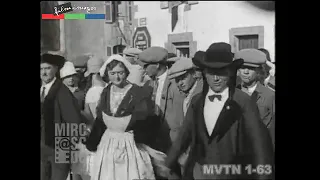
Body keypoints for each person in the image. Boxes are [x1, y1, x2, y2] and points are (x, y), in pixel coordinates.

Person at [163, 42, 274, 180]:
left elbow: (258, 142)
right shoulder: (197, 101)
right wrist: (168, 163)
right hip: (200, 171)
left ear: (229, 72)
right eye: (211, 73)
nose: (216, 79)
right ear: (204, 73)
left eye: (221, 73)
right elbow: (184, 134)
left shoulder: (242, 100)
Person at [85, 54, 168, 180]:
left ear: (126, 72)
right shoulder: (106, 92)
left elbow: (147, 119)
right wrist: (92, 141)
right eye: (112, 73)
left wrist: (139, 136)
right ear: (107, 74)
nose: (117, 77)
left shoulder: (137, 92)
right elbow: (100, 119)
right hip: (108, 143)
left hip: (130, 143)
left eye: (120, 73)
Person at [41, 54, 84, 180]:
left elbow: (74, 120)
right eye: (41, 69)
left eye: (47, 68)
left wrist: (73, 151)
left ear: (55, 70)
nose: (44, 72)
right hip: (43, 147)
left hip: (61, 144)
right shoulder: (42, 90)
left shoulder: (62, 91)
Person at [166, 55, 203, 174]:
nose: (180, 83)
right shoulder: (183, 94)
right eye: (177, 80)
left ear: (194, 74)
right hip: (186, 153)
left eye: (183, 78)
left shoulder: (202, 93)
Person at [235, 49, 275, 147]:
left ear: (258, 71)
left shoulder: (269, 95)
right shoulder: (232, 93)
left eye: (250, 68)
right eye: (242, 67)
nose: (246, 72)